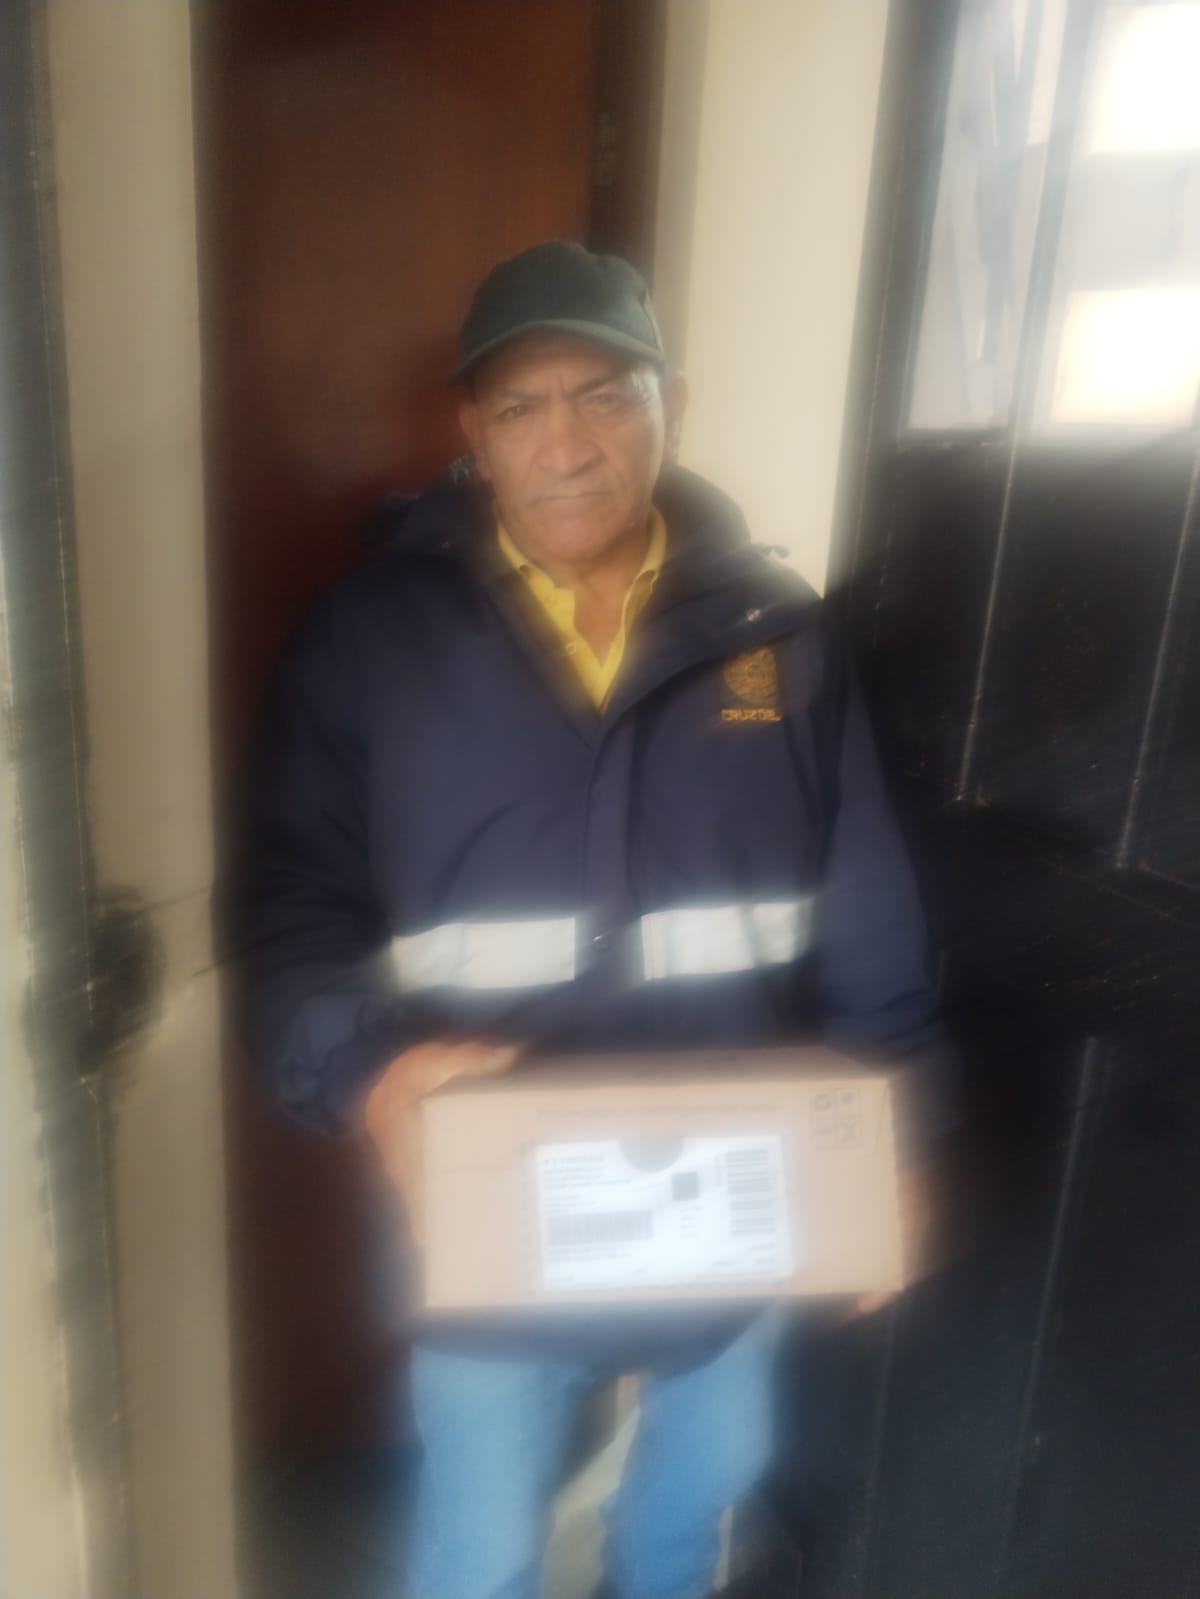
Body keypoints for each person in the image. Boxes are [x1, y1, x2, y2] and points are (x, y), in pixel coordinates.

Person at [239, 240, 958, 1599]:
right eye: (520, 405)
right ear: (473, 431)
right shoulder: (368, 642)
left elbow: (870, 915)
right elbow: (290, 908)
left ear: (669, 405)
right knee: (482, 1556)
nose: (564, 443)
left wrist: (899, 1142)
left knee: (704, 1496)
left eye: (604, 395)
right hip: (492, 1203)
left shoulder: (778, 635)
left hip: (729, 1195)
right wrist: (368, 1072)